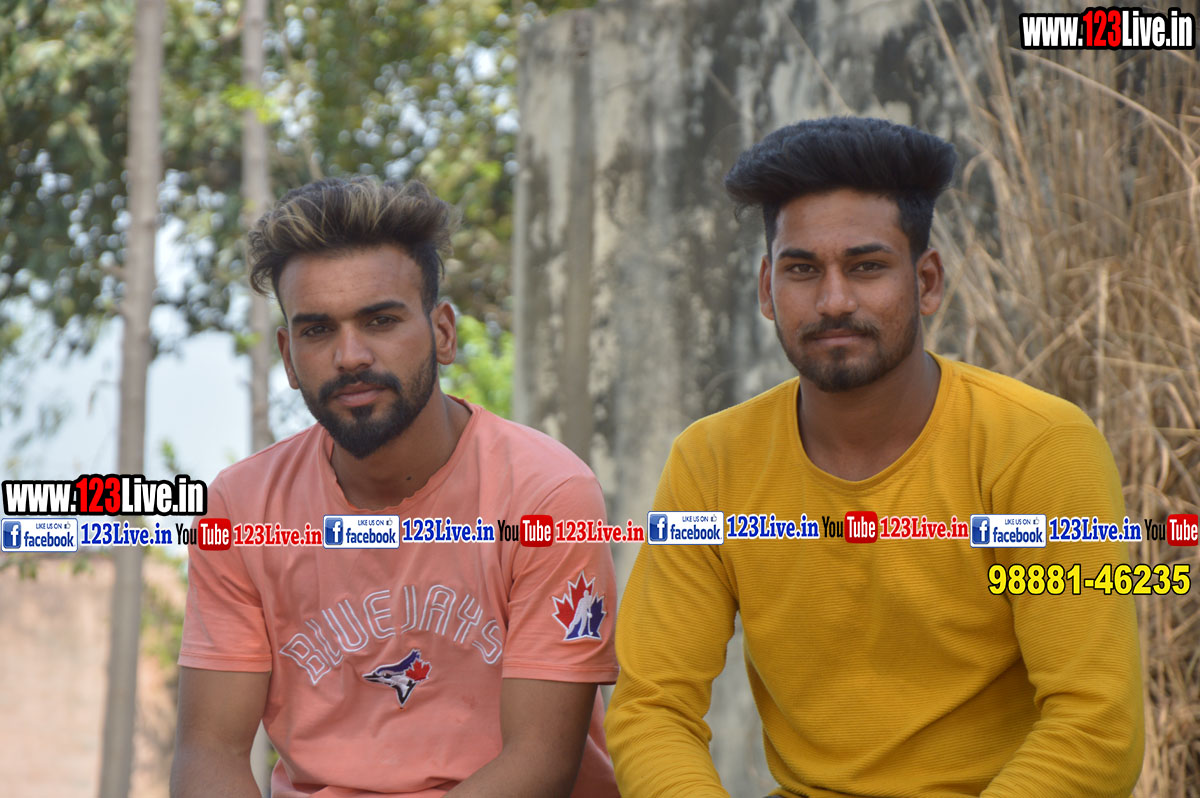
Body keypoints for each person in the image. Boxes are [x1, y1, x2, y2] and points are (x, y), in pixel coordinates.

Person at [605, 117, 1143, 798]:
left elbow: (1096, 726)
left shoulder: (1037, 447)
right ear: (767, 288)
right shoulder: (712, 462)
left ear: (927, 281)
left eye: (866, 266)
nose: (834, 300)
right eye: (802, 269)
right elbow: (653, 707)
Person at [172, 177, 620, 798]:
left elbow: (540, 761)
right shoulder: (241, 507)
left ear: (443, 333)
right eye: (317, 330)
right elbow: (208, 753)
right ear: (288, 357)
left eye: (380, 320)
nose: (351, 356)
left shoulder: (546, 495)